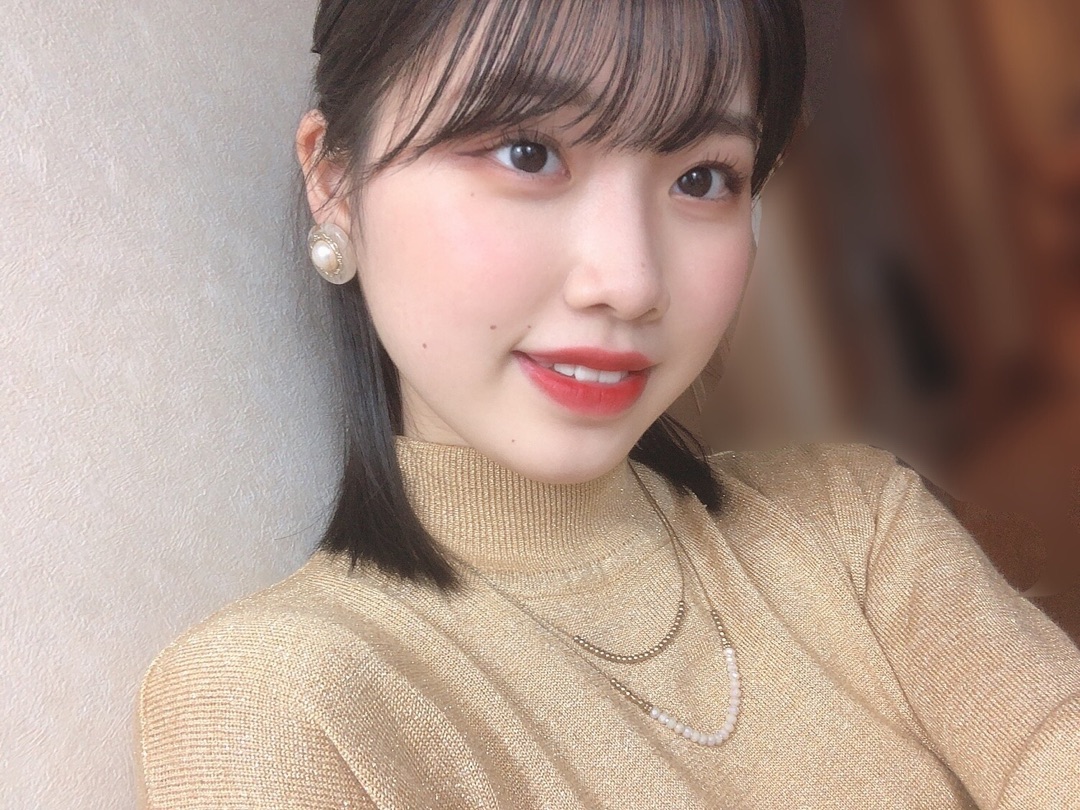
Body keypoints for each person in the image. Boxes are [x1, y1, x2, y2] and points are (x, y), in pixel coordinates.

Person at [135, 1, 1080, 807]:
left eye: (703, 178)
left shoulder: (856, 526)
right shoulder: (277, 709)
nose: (631, 281)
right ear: (336, 183)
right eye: (528, 152)